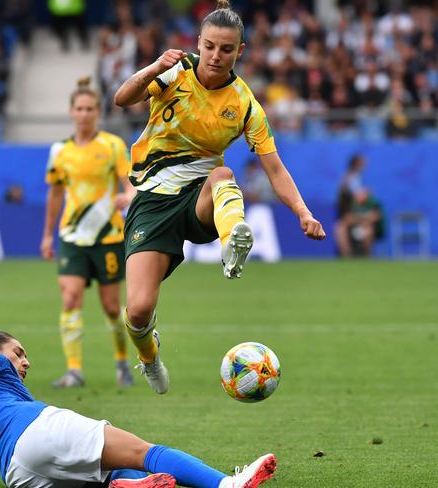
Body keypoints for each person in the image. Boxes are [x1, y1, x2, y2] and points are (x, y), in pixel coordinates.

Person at [113, 0, 326, 394]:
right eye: (209, 46)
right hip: (153, 199)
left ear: (239, 51)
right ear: (199, 41)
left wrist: (303, 212)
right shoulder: (175, 71)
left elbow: (274, 168)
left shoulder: (245, 104)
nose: (215, 55)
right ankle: (149, 356)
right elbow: (123, 99)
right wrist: (155, 68)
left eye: (226, 49)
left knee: (223, 173)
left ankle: (232, 244)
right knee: (139, 310)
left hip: (201, 196)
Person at [0, 330, 277, 488]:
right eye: (19, 353)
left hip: (19, 476)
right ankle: (228, 484)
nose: (25, 361)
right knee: (145, 452)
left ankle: (130, 486)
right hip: (36, 430)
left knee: (102, 476)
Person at [41, 77, 136, 388]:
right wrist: (47, 234)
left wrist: (130, 196)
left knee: (111, 306)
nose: (84, 114)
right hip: (72, 236)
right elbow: (55, 194)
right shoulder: (60, 152)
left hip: (108, 236)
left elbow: (128, 183)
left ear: (98, 112)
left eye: (90, 109)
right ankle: (74, 370)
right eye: (79, 108)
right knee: (70, 299)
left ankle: (122, 364)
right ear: (71, 112)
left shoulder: (112, 146)